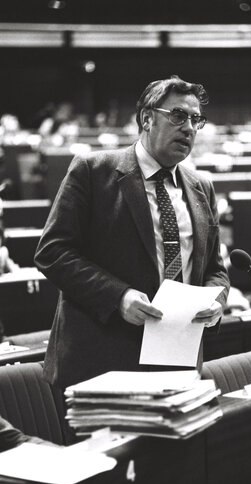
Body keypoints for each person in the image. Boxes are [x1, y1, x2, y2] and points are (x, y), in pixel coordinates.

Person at [34, 75, 230, 388]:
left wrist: (217, 301)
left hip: (178, 363)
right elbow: (53, 253)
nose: (190, 128)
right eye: (178, 116)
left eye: (196, 119)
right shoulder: (92, 170)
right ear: (147, 119)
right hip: (103, 361)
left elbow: (216, 271)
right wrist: (118, 296)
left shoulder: (201, 187)